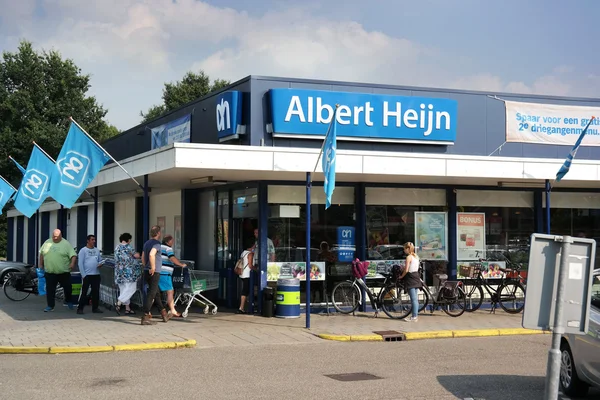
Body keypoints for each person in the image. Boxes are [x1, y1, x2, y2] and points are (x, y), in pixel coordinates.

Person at [39, 229, 77, 312]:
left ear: (61, 236)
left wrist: (72, 263)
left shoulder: (66, 244)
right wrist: (41, 264)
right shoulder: (47, 242)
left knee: (68, 288)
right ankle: (50, 306)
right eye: (53, 236)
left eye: (56, 237)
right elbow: (42, 253)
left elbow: (73, 255)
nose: (54, 238)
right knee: (50, 290)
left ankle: (68, 300)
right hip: (50, 272)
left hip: (63, 272)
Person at [141, 225, 170, 325]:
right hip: (154, 271)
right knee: (152, 293)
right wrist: (152, 267)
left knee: (156, 292)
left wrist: (146, 266)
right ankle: (145, 316)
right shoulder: (157, 243)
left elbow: (143, 257)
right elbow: (151, 254)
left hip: (146, 270)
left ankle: (163, 313)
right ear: (158, 233)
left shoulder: (146, 243)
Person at [160, 234, 187, 317]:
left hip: (158, 272)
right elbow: (172, 258)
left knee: (154, 293)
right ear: (168, 241)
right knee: (170, 291)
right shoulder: (168, 248)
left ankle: (148, 312)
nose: (173, 242)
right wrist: (181, 264)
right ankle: (173, 310)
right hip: (165, 273)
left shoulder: (159, 247)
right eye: (172, 241)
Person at [114, 233, 141, 315]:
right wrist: (139, 254)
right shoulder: (128, 247)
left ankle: (127, 308)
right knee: (131, 288)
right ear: (128, 239)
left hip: (119, 273)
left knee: (123, 290)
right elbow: (136, 256)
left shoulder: (117, 247)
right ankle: (119, 302)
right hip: (129, 273)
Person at [76, 234, 104, 315]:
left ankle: (95, 307)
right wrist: (83, 275)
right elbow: (80, 263)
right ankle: (80, 308)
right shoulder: (83, 251)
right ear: (88, 241)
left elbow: (100, 260)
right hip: (87, 274)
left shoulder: (97, 250)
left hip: (96, 274)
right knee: (84, 292)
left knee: (95, 291)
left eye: (94, 240)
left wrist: (100, 263)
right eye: (92, 240)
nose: (94, 241)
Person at [399, 242, 422, 322]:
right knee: (415, 298)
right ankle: (415, 315)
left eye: (404, 249)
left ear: (408, 249)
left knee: (413, 299)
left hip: (411, 278)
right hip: (416, 276)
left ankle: (414, 317)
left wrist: (401, 276)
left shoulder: (409, 257)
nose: (404, 250)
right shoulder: (416, 256)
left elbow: (406, 269)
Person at [238, 243, 255, 314]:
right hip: (247, 275)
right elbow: (250, 265)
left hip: (242, 274)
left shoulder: (243, 253)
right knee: (245, 291)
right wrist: (256, 268)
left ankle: (246, 305)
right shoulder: (250, 254)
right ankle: (241, 307)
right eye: (254, 246)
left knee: (246, 290)